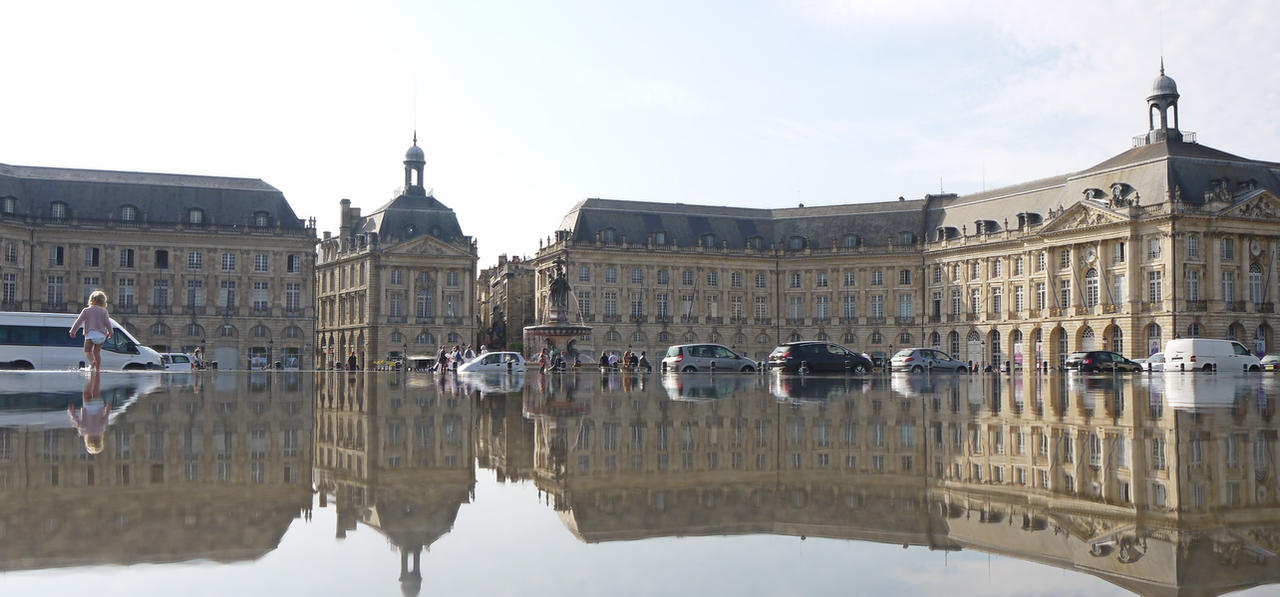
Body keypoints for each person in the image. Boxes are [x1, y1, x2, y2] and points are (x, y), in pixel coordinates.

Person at [68, 371, 110, 454]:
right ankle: (91, 377)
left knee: (96, 391)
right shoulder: (84, 431)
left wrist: (107, 410)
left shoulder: (101, 430)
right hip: (88, 407)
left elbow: (105, 420)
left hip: (99, 405)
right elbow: (77, 421)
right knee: (86, 392)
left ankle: (95, 376)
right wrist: (71, 412)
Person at [69, 290, 112, 371]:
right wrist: (110, 332)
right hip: (102, 336)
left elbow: (79, 321)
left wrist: (73, 331)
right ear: (103, 301)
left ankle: (92, 362)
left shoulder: (86, 310)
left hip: (90, 334)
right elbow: (107, 322)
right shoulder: (104, 311)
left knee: (87, 350)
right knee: (97, 352)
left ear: (91, 300)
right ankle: (98, 369)